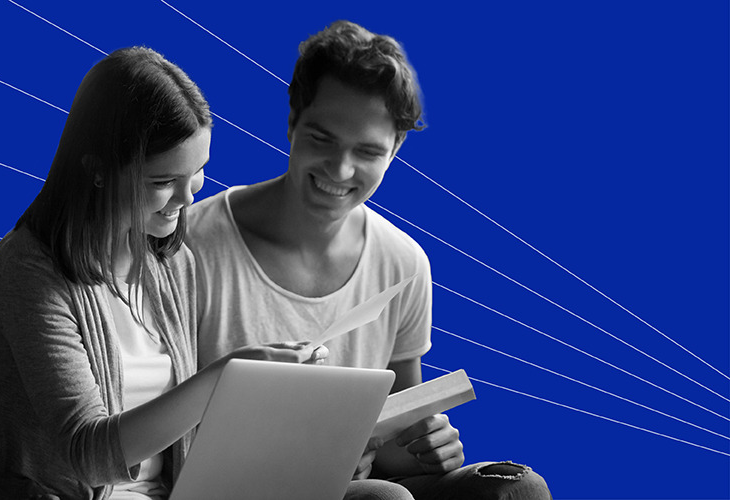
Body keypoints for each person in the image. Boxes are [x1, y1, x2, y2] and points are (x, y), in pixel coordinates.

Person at [186, 21, 552, 499]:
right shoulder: (190, 241)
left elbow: (392, 434)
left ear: (396, 149)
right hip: (228, 486)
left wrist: (427, 446)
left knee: (518, 487)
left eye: (367, 152)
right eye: (322, 139)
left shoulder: (403, 262)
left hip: (349, 485)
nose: (340, 171)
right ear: (293, 121)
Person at [0, 46, 322, 500]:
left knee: (380, 496)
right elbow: (88, 456)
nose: (187, 199)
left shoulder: (174, 265)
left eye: (199, 173)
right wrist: (224, 377)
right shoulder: (28, 272)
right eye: (163, 181)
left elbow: (179, 436)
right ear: (97, 169)